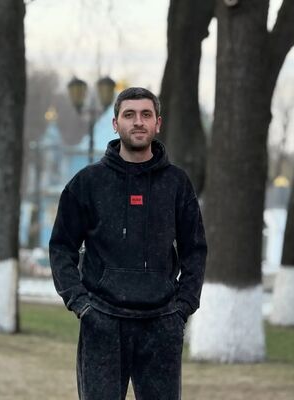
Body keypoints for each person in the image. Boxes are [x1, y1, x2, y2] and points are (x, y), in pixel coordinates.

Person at [49, 87, 207, 399]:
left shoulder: (176, 183)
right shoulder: (88, 183)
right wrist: (81, 303)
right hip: (102, 322)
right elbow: (61, 248)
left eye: (146, 115)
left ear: (157, 123)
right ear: (115, 123)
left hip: (162, 323)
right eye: (129, 114)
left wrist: (183, 307)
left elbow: (195, 250)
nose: (138, 122)